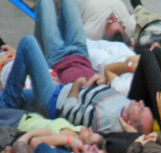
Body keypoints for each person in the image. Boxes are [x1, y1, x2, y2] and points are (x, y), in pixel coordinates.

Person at [0, 36, 153, 134]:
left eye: (141, 110)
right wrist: (102, 82)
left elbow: (70, 112)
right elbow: (104, 86)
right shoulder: (127, 105)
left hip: (54, 101)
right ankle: (7, 101)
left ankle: (7, 102)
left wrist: (76, 86)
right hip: (66, 88)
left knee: (28, 43)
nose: (140, 103)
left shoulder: (107, 120)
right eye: (143, 106)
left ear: (130, 123)